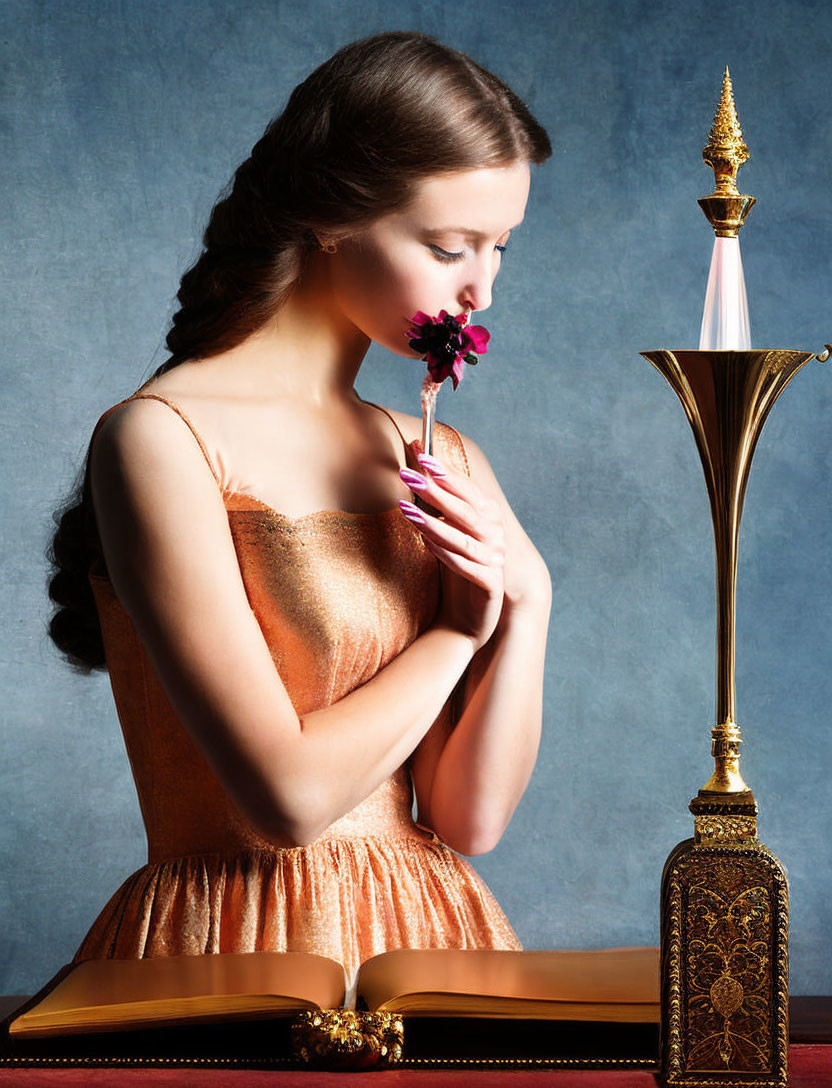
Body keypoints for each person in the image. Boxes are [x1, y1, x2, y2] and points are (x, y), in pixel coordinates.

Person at [48, 31, 552, 992]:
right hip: (240, 953)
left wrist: (530, 604)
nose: (480, 288)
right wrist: (455, 632)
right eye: (448, 246)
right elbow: (286, 799)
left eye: (500, 248)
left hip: (434, 947)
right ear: (332, 215)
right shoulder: (161, 440)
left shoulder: (438, 454)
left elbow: (469, 821)